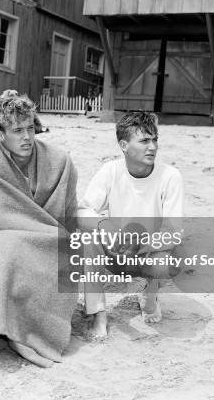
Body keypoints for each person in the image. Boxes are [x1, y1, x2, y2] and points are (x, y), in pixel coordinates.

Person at [0, 94, 78, 367]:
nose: (26, 137)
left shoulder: (60, 160)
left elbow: (68, 212)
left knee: (67, 248)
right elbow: (3, 215)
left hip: (52, 234)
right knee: (2, 251)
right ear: (0, 135)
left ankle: (31, 336)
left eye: (30, 128)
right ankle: (6, 333)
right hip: (10, 231)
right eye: (17, 130)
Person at [78, 111, 184, 336]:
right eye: (144, 140)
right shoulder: (111, 171)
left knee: (168, 262)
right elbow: (82, 210)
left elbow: (174, 232)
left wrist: (141, 245)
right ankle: (98, 314)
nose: (152, 147)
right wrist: (104, 225)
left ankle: (150, 293)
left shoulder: (170, 176)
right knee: (89, 238)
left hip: (148, 253)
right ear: (124, 145)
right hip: (116, 251)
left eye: (155, 139)